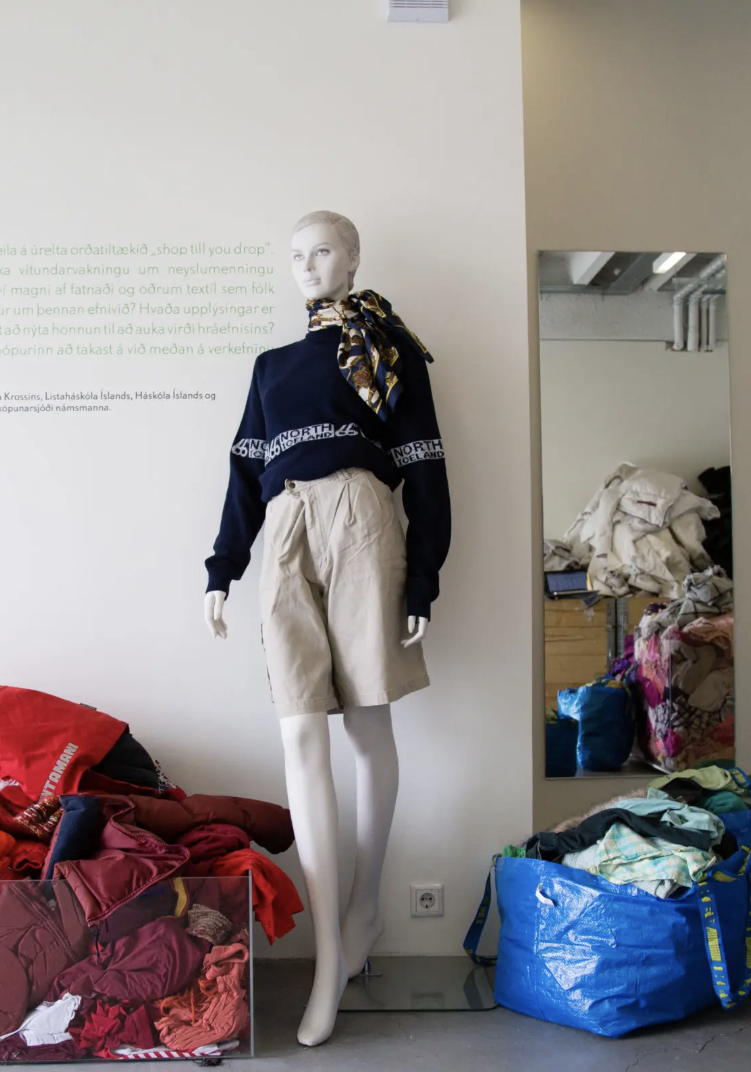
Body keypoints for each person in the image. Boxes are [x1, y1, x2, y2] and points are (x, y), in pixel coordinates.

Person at [202, 210, 450, 1046]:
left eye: (323, 252)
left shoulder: (389, 351)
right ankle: (330, 952)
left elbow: (425, 466)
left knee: (367, 723)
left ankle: (363, 906)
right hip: (285, 527)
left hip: (363, 518)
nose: (308, 266)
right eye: (296, 255)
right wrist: (222, 568)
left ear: (353, 259)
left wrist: (425, 574)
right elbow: (244, 471)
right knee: (300, 729)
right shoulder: (272, 367)